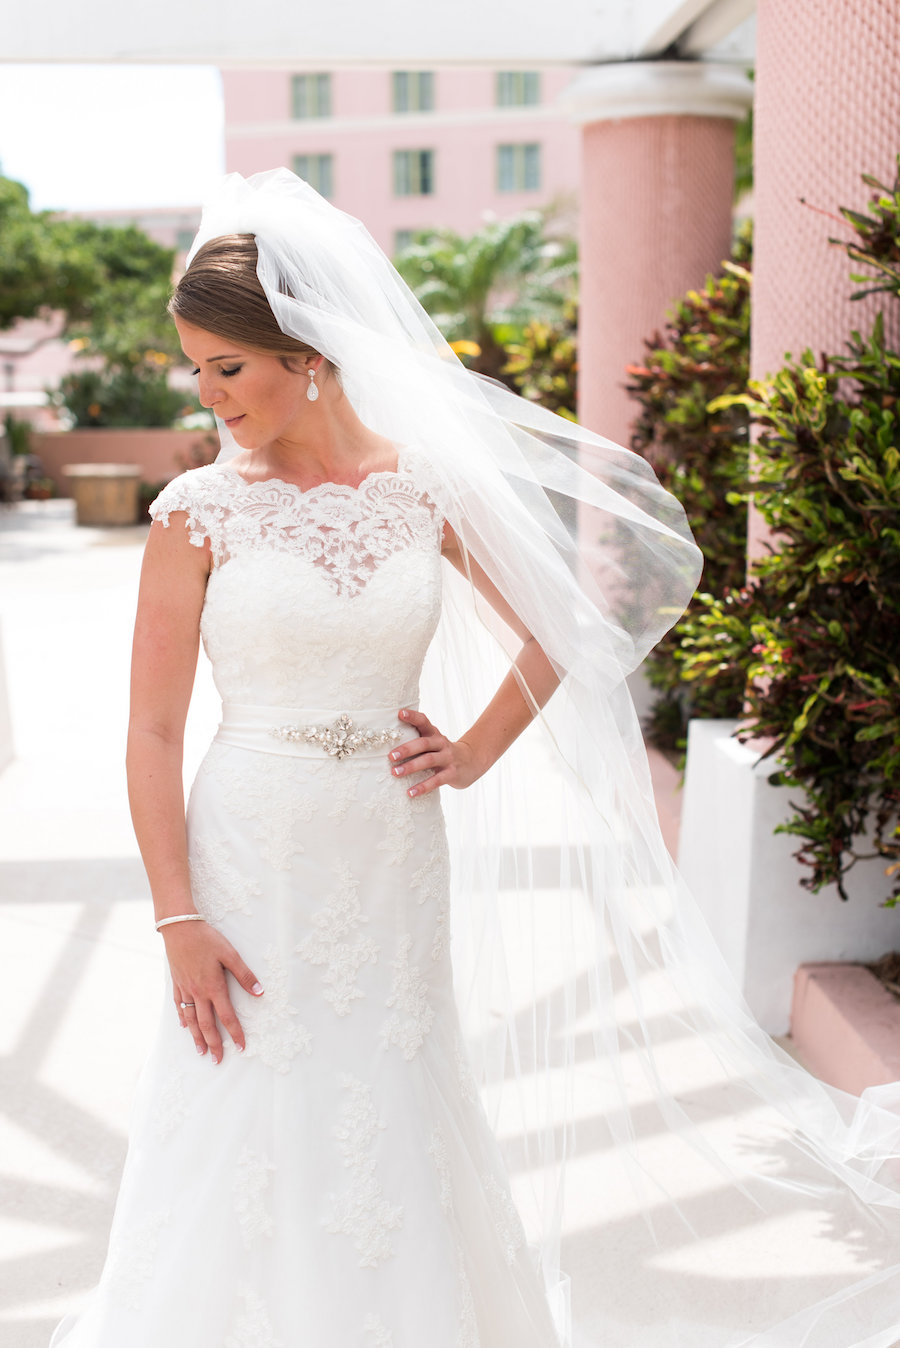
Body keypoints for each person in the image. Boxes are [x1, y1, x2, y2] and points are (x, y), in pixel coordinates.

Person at [50, 169, 900, 1348]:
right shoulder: (199, 511)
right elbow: (149, 731)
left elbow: (566, 626)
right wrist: (175, 917)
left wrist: (478, 749)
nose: (208, 396)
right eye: (193, 370)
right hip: (248, 839)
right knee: (238, 1084)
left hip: (389, 843)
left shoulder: (424, 488)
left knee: (389, 1079)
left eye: (226, 367)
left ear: (306, 348)